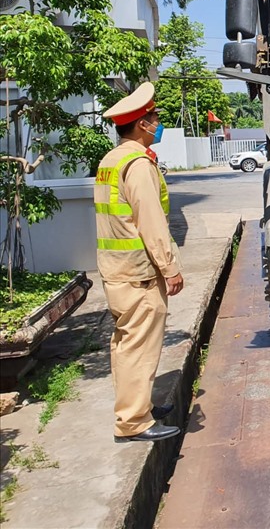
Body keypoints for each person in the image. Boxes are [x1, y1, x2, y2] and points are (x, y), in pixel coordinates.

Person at [95, 82, 184, 442]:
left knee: (125, 344)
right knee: (138, 348)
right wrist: (170, 268)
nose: (159, 124)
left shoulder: (111, 160)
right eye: (155, 118)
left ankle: (138, 407)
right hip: (139, 273)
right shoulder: (137, 164)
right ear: (142, 124)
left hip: (117, 269)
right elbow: (150, 221)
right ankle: (133, 422)